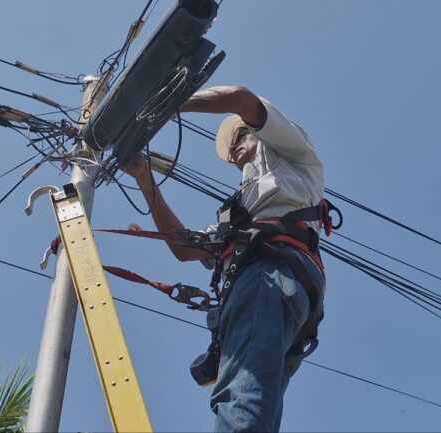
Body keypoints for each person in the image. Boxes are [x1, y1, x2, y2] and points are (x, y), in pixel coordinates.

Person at [122, 85, 327, 432]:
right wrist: (146, 179)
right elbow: (184, 248)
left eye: (239, 138)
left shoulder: (293, 155)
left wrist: (160, 102)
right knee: (251, 393)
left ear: (259, 133)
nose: (233, 150)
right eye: (230, 152)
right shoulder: (237, 215)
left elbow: (239, 97)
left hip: (272, 271)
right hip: (263, 281)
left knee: (242, 389)